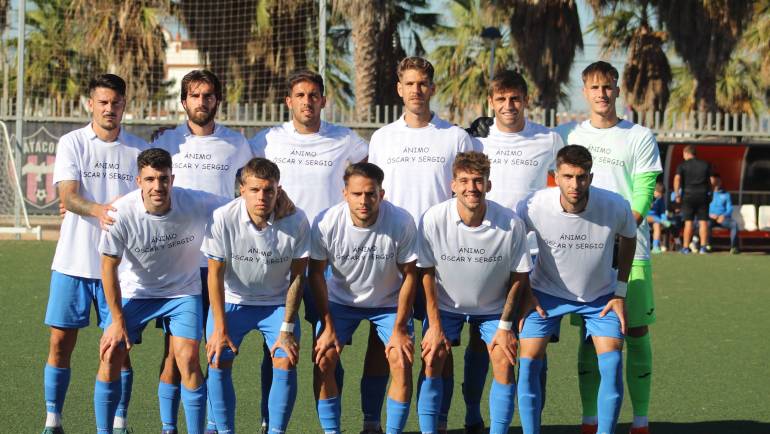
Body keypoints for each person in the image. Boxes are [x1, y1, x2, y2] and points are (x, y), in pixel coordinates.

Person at [250, 70, 373, 432]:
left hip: (328, 260)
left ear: (323, 100)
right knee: (274, 348)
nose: (307, 101)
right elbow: (243, 180)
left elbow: (372, 173)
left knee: (328, 347)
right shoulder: (265, 140)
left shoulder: (346, 141)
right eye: (300, 95)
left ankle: (330, 425)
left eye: (314, 95)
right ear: (288, 102)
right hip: (280, 257)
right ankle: (268, 421)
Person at [368, 56, 475, 433]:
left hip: (441, 255)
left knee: (438, 343)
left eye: (422, 83)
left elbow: (469, 187)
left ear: (432, 88)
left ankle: (439, 421)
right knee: (385, 340)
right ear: (399, 89)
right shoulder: (382, 138)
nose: (416, 90)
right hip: (392, 252)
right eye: (409, 83)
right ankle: (371, 420)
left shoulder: (456, 137)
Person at [555, 61, 662, 434]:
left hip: (632, 251)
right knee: (589, 333)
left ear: (617, 90)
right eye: (595, 87)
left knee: (635, 332)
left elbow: (645, 191)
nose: (602, 93)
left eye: (608, 86)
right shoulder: (569, 136)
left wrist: (621, 231)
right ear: (584, 92)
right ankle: (590, 419)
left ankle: (641, 421)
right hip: (583, 253)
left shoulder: (639, 136)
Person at [41, 74, 148, 434]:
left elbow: (147, 199)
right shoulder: (72, 142)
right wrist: (99, 209)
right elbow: (67, 196)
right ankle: (53, 420)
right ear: (90, 104)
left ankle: (119, 421)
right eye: (102, 102)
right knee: (60, 343)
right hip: (72, 262)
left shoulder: (137, 150)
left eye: (116, 103)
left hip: (120, 271)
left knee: (119, 350)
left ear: (124, 106)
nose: (109, 109)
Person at [95, 148, 229, 434]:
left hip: (182, 293)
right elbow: (107, 268)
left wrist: (280, 201)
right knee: (110, 354)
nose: (158, 186)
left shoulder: (195, 201)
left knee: (189, 359)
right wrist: (117, 321)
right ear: (138, 181)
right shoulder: (121, 214)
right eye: (150, 179)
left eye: (164, 179)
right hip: (136, 292)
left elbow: (239, 204)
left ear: (172, 178)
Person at [151, 69, 253, 433]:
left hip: (218, 264)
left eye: (208, 95)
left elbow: (248, 193)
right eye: (194, 95)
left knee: (216, 348)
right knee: (175, 350)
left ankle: (212, 422)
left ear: (217, 101)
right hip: (176, 263)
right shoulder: (166, 141)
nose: (202, 101)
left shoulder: (237, 144)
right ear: (183, 102)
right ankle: (168, 425)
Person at [464, 69, 564, 432]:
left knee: (534, 339)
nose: (508, 106)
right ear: (491, 102)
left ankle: (532, 421)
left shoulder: (549, 138)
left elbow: (570, 176)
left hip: (534, 253)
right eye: (501, 99)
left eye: (515, 98)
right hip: (485, 250)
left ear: (526, 99)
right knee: (482, 336)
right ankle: (473, 412)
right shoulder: (476, 140)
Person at [516, 145, 637, 434]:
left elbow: (630, 239)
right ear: (555, 177)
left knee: (612, 361)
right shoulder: (532, 205)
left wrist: (620, 292)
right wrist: (525, 293)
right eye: (568, 176)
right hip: (545, 293)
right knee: (529, 361)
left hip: (600, 297)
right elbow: (514, 244)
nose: (575, 184)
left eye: (581, 177)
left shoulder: (615, 205)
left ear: (591, 177)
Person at [416, 152, 532, 434]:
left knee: (504, 357)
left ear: (488, 185)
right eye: (464, 181)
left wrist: (505, 326)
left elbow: (519, 276)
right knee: (433, 356)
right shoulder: (433, 218)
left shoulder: (511, 223)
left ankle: (486, 424)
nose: (472, 188)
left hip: (493, 308)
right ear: (453, 185)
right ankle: (434, 427)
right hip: (445, 306)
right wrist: (434, 325)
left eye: (478, 181)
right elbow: (426, 274)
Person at [202, 157, 309, 433]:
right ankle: (224, 430)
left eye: (268, 190)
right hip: (233, 301)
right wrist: (219, 327)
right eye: (255, 190)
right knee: (217, 356)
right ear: (242, 189)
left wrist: (287, 327)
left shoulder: (296, 219)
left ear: (278, 190)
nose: (262, 197)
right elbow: (214, 274)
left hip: (276, 304)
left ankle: (276, 430)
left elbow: (298, 276)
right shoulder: (223, 217)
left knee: (286, 356)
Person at [310, 162, 418, 434]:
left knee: (400, 359)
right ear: (345, 193)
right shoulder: (326, 221)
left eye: (371, 194)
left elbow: (410, 275)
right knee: (323, 358)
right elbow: (316, 274)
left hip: (389, 302)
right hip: (341, 300)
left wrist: (400, 328)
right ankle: (331, 431)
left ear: (382, 194)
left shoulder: (401, 221)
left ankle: (379, 427)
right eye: (357, 194)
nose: (364, 201)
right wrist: (327, 326)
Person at [673, 145, 714, 254]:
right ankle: (703, 247)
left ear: (686, 153)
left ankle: (686, 247)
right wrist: (711, 193)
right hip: (703, 195)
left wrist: (677, 194)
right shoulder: (705, 164)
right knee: (703, 222)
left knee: (688, 222)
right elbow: (712, 180)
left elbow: (677, 179)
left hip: (688, 196)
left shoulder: (682, 165)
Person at [708, 174, 740, 254]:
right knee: (706, 224)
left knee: (734, 224)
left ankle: (734, 247)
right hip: (710, 218)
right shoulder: (707, 193)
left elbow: (730, 208)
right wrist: (709, 214)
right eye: (715, 181)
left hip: (723, 218)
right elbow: (702, 207)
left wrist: (723, 215)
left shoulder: (726, 194)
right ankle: (707, 245)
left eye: (718, 181)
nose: (717, 183)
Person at [647, 182, 670, 253]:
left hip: (655, 219)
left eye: (661, 194)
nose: (660, 195)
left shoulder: (660, 200)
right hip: (645, 217)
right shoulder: (647, 196)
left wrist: (664, 219)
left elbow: (662, 212)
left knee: (657, 225)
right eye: (658, 193)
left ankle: (655, 247)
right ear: (654, 190)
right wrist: (661, 221)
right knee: (655, 220)